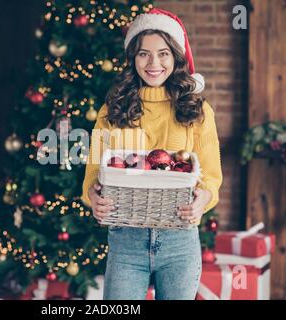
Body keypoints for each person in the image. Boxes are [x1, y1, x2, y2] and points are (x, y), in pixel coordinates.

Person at [81, 8, 223, 300]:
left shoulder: (198, 110)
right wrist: (94, 198)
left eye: (163, 53)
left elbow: (210, 175)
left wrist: (202, 200)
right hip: (126, 240)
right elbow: (94, 173)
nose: (154, 63)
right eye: (144, 53)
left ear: (176, 57)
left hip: (179, 240)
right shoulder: (113, 109)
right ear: (133, 58)